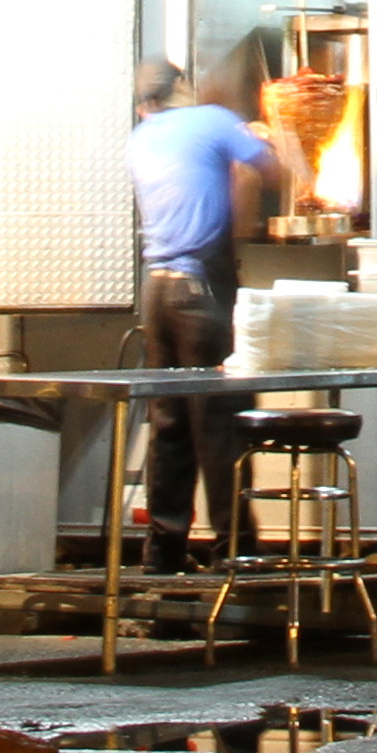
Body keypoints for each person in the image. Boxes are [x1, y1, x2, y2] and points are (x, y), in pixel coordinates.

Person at [123, 59, 281, 563]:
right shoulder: (211, 119)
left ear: (146, 103)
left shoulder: (140, 139)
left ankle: (163, 552)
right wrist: (263, 138)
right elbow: (274, 171)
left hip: (156, 291)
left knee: (169, 422)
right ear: (183, 87)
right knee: (220, 421)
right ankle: (235, 550)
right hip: (201, 291)